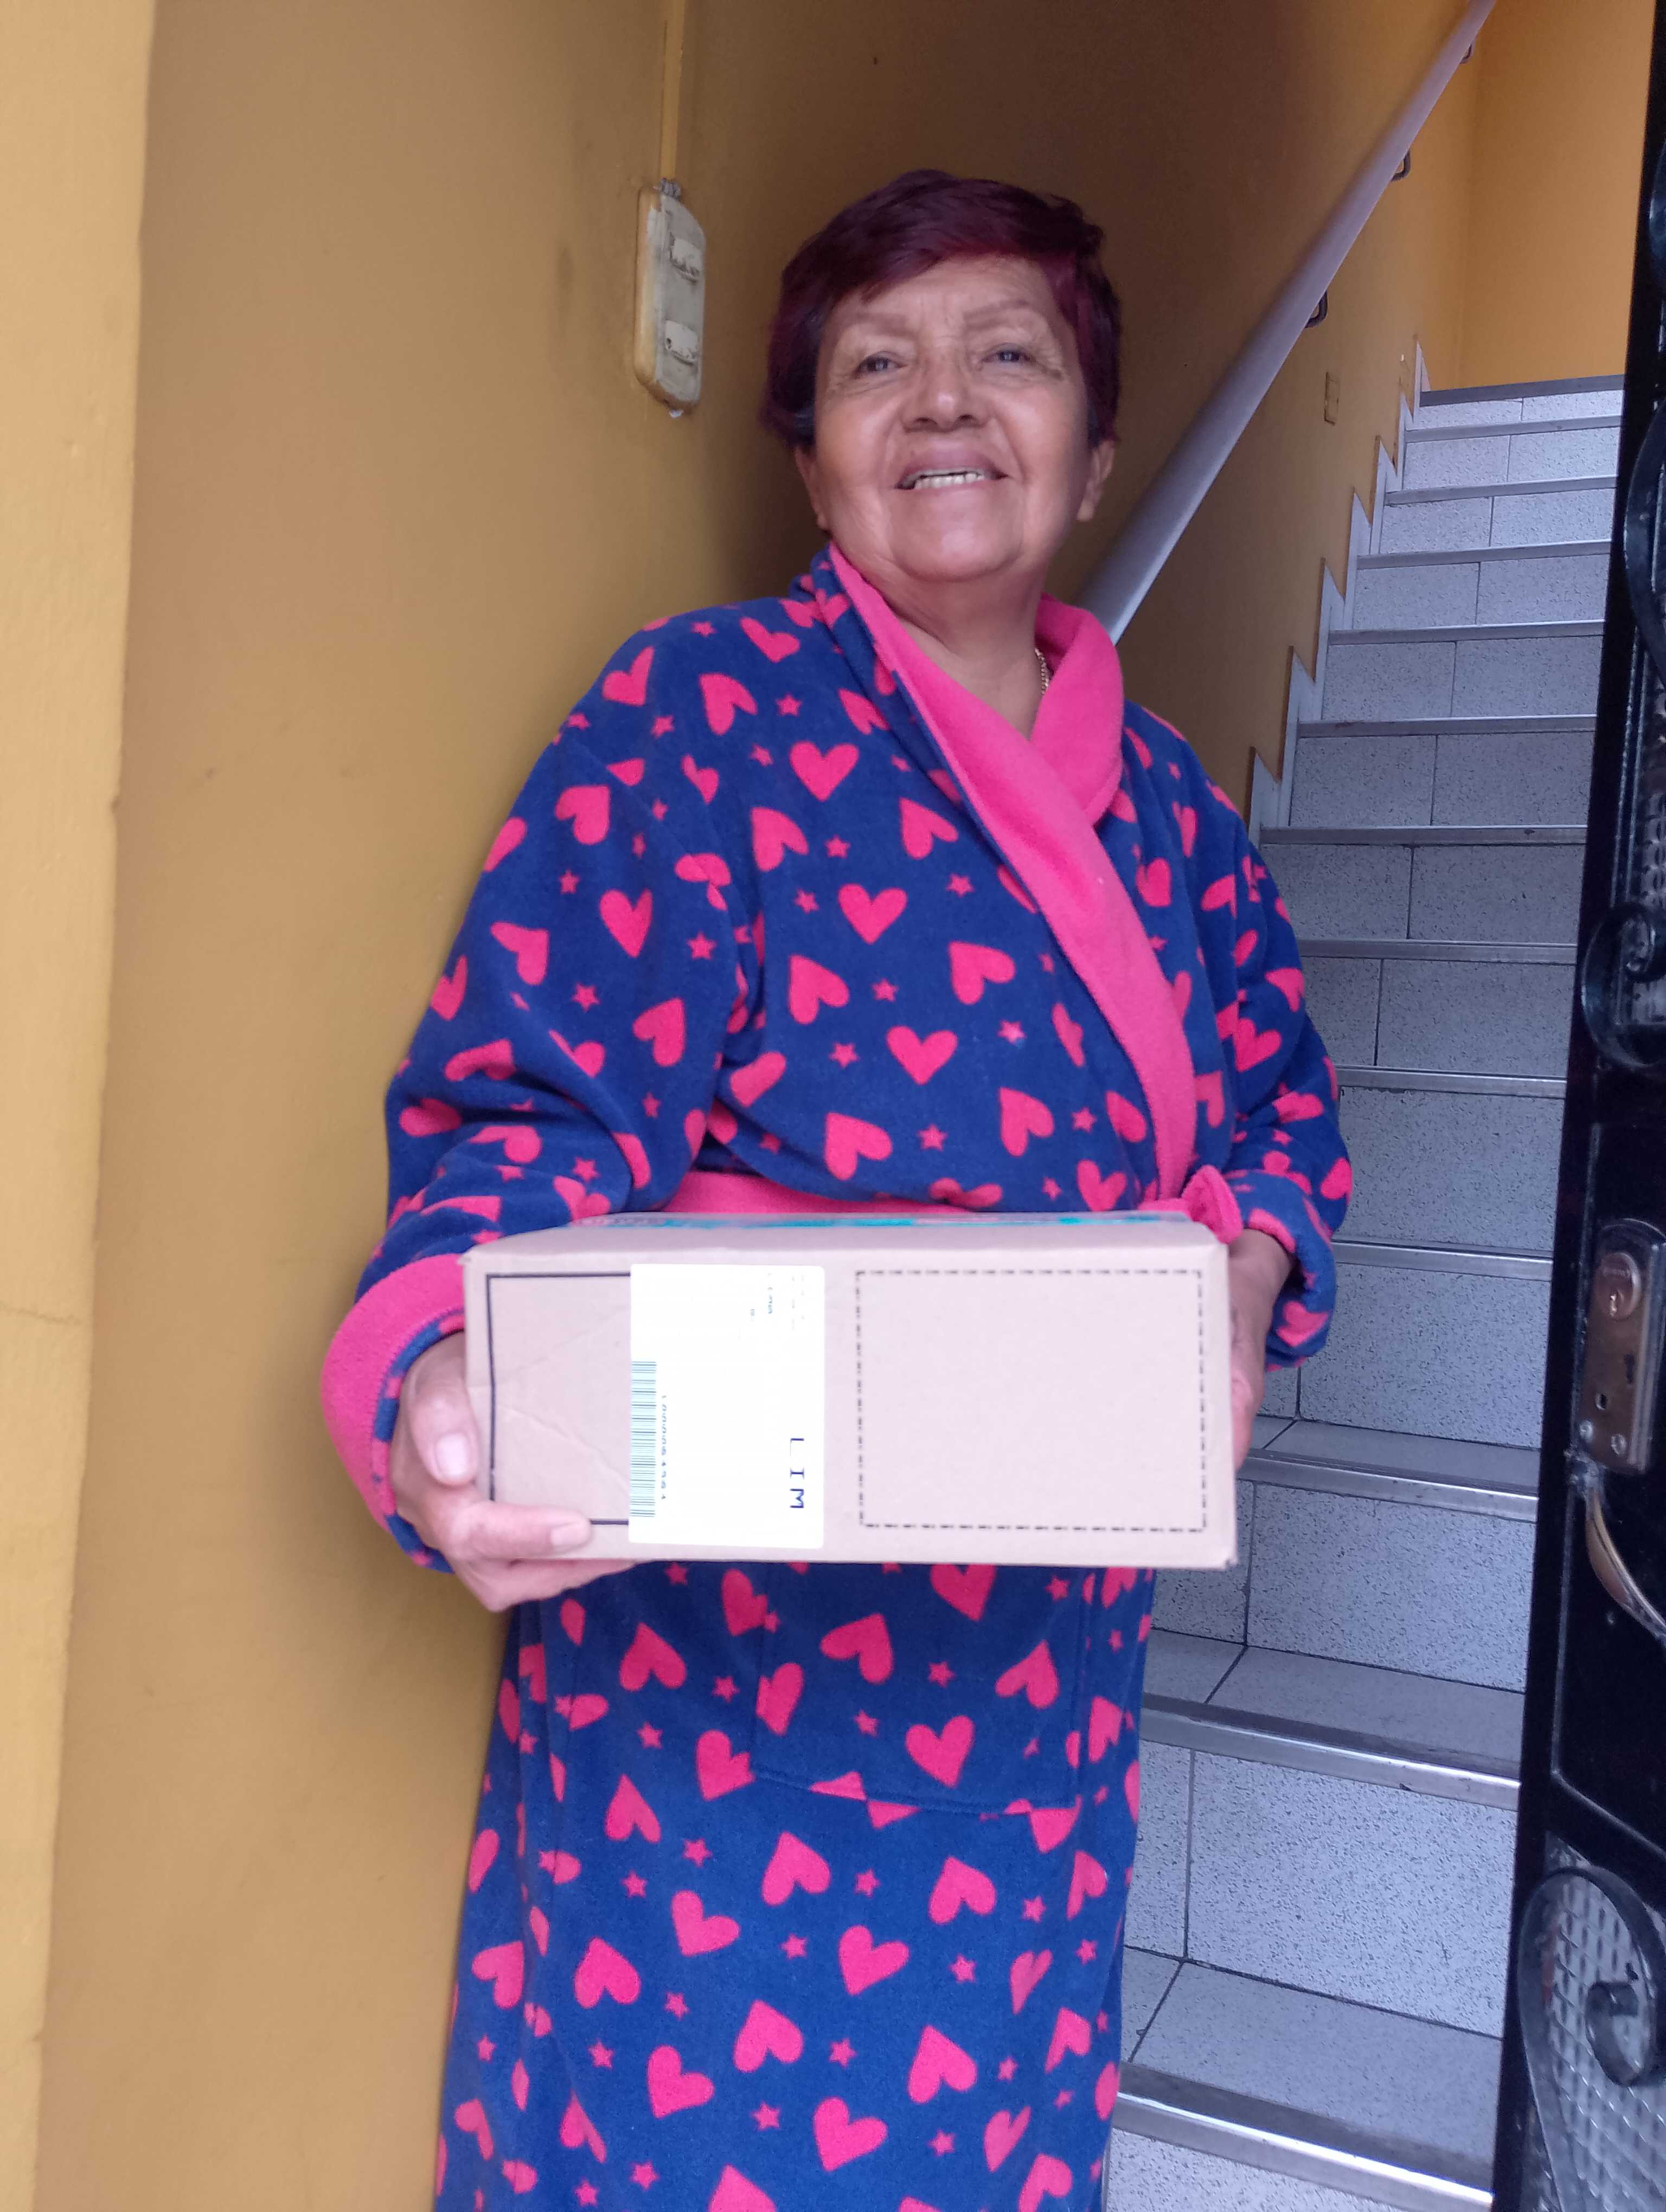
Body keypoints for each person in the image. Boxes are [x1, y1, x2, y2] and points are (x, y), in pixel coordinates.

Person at [322, 168, 1349, 2212]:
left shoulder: (1177, 822)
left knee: (985, 2142)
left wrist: (1232, 1280)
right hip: (713, 1690)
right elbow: (519, 1115)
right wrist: (439, 1378)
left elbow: (1282, 1123)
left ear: (1096, 454)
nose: (943, 400)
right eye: (878, 366)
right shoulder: (690, 719)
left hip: (1038, 1674)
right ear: (812, 462)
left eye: (1009, 354)